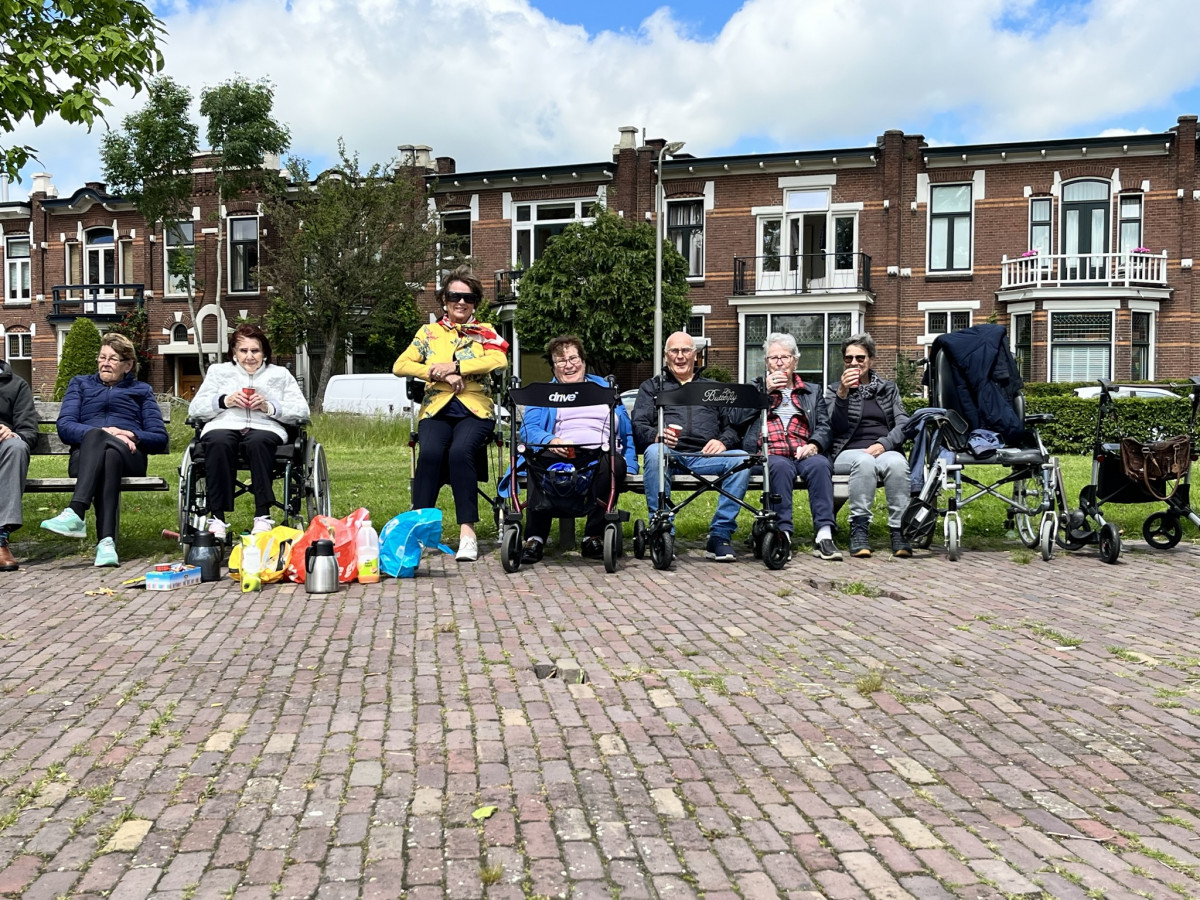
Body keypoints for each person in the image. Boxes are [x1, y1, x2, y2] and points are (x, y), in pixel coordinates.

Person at [393, 267, 508, 562]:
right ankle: (418, 530)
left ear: (475, 303)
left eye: (468, 297)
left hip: (474, 409)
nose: (461, 302)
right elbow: (400, 365)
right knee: (429, 452)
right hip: (437, 408)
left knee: (460, 452)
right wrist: (438, 374)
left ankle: (467, 532)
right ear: (444, 300)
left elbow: (499, 360)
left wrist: (456, 368)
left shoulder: (486, 333)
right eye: (454, 296)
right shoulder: (428, 333)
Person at [40, 334, 169, 566]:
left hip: (130, 457)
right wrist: (107, 433)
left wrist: (131, 434)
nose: (105, 363)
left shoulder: (141, 391)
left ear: (128, 365)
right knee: (104, 449)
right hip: (85, 459)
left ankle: (76, 511)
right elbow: (65, 426)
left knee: (107, 446)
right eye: (102, 357)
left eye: (113, 359)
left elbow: (159, 437)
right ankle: (106, 543)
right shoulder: (80, 384)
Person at [514, 335, 638, 564]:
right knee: (537, 461)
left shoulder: (605, 389)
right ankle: (535, 537)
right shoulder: (545, 394)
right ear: (553, 367)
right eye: (560, 361)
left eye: (573, 358)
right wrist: (551, 440)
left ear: (583, 360)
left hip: (599, 453)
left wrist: (629, 463)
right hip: (560, 452)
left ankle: (593, 536)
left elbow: (626, 432)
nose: (568, 365)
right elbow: (529, 429)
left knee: (614, 464)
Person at [632, 331, 750, 562]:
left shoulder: (714, 388)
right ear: (666, 356)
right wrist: (658, 436)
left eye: (686, 350)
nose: (680, 356)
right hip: (669, 453)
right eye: (674, 351)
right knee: (655, 453)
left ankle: (720, 535)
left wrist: (722, 441)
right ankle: (663, 530)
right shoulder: (652, 387)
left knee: (742, 459)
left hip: (706, 455)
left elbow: (732, 426)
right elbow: (639, 424)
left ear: (695, 355)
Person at [188, 323, 310, 540]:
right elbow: (195, 409)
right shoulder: (218, 372)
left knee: (258, 442)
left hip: (265, 426)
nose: (249, 356)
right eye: (243, 351)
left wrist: (269, 407)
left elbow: (302, 411)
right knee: (218, 441)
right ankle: (217, 518)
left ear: (264, 353)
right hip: (225, 423)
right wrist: (224, 401)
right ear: (234, 352)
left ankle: (262, 516)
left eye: (255, 350)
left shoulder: (280, 375)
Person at [750, 333, 842, 561]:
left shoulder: (812, 391)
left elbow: (824, 425)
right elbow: (737, 418)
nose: (779, 362)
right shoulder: (755, 389)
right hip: (772, 452)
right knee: (779, 468)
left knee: (820, 465)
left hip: (804, 450)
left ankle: (824, 534)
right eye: (773, 358)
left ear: (795, 361)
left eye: (785, 357)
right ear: (766, 363)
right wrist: (765, 393)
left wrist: (814, 444)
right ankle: (783, 535)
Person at [826, 332, 912, 558]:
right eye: (849, 358)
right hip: (847, 451)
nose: (854, 362)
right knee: (863, 461)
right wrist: (843, 394)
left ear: (870, 359)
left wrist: (884, 444)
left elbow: (904, 423)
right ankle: (859, 529)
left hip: (883, 449)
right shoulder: (834, 389)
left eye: (860, 358)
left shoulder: (888, 389)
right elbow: (832, 426)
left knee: (897, 462)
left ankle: (899, 530)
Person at [0, 359, 37, 572]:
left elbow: (29, 431)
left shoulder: (17, 385)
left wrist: (12, 433)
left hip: (2, 451)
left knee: (17, 446)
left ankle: (0, 539)